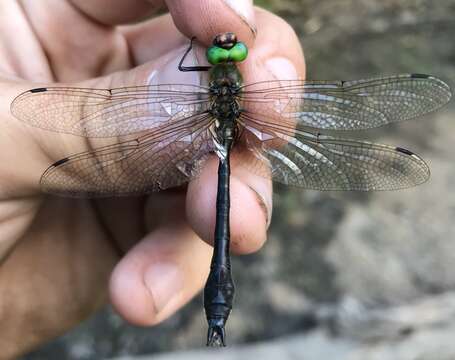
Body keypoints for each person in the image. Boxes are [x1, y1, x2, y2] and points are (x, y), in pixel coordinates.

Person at [0, 0, 305, 357]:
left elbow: (182, 66)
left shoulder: (202, 71)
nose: (224, 51)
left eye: (230, 50)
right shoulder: (240, 83)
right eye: (220, 52)